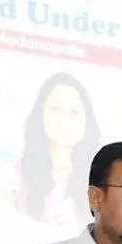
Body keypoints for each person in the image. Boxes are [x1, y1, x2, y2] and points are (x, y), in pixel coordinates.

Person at [15, 72, 101, 228]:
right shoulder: (18, 174)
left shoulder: (100, 180)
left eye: (74, 111)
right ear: (40, 115)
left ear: (86, 123)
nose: (64, 119)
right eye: (54, 108)